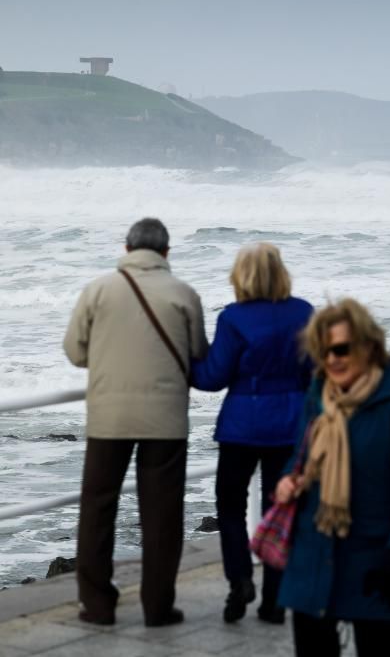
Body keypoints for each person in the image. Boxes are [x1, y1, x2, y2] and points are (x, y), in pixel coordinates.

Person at [275, 298, 390, 657]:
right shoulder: (318, 396)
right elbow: (298, 457)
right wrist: (288, 480)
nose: (332, 359)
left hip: (375, 558)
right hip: (313, 556)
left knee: (380, 649)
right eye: (324, 351)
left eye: (341, 349)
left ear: (368, 346)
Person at [64, 218, 208, 627]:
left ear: (127, 250)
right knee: (162, 515)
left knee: (97, 509)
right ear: (166, 253)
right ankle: (158, 607)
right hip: (165, 420)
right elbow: (198, 352)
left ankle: (98, 605)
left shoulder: (98, 289)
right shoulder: (183, 293)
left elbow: (74, 352)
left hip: (109, 417)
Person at [191, 242, 314, 625]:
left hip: (242, 426)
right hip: (289, 425)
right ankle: (275, 600)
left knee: (230, 505)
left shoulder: (234, 318)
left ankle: (240, 579)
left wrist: (185, 366)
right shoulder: (304, 312)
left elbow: (213, 377)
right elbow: (314, 375)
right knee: (280, 508)